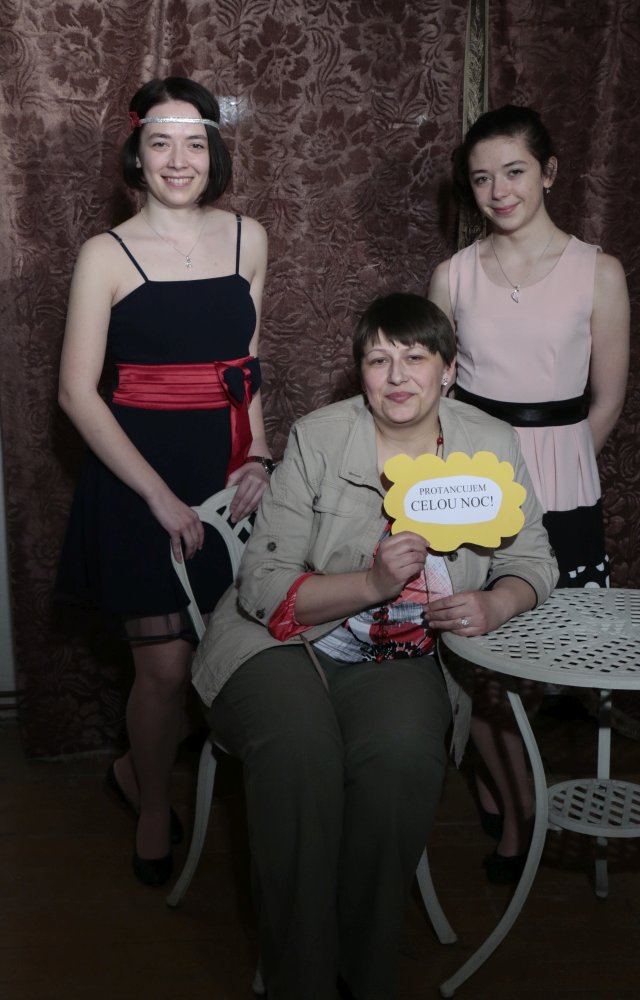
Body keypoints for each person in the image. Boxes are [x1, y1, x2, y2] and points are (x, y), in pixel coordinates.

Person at [192, 292, 558, 1000]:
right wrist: (370, 582)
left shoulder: (489, 443)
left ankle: (363, 968)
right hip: (282, 641)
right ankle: (300, 974)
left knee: (401, 758)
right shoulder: (321, 437)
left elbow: (533, 562)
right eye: (377, 359)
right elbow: (263, 583)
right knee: (300, 751)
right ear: (359, 372)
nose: (397, 376)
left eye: (415, 358)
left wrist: (495, 602)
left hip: (401, 654)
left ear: (448, 371)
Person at [56, 77, 272, 886]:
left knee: (234, 656)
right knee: (166, 670)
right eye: (160, 143)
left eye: (194, 142)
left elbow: (246, 368)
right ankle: (149, 800)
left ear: (213, 151)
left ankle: (139, 772)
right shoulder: (104, 255)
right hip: (137, 476)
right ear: (136, 155)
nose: (178, 160)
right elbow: (77, 393)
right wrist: (157, 498)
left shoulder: (249, 238)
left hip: (225, 470)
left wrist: (257, 454)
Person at [428, 104, 630, 882]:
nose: (498, 191)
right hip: (471, 488)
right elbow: (435, 398)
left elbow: (604, 400)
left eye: (513, 171)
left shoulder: (597, 272)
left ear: (548, 172)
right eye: (480, 178)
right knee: (476, 659)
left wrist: (553, 477)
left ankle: (506, 788)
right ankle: (517, 817)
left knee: (540, 662)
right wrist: (477, 486)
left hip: (563, 481)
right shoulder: (452, 275)